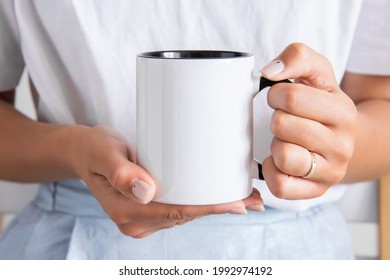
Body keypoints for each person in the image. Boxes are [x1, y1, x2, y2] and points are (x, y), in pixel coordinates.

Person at [0, 0, 389, 259]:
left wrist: (334, 148)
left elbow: (380, 104)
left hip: (293, 252)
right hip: (73, 245)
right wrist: (71, 149)